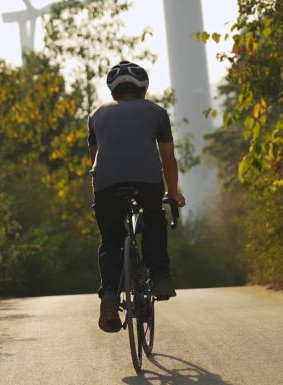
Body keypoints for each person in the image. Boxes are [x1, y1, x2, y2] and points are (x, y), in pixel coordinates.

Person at [88, 61, 186, 333]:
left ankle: (109, 295)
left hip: (106, 184)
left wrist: (100, 199)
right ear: (144, 89)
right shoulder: (157, 112)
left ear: (112, 92)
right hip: (147, 180)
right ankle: (159, 276)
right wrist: (173, 191)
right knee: (154, 217)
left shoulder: (96, 115)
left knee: (110, 240)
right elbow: (168, 160)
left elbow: (94, 161)